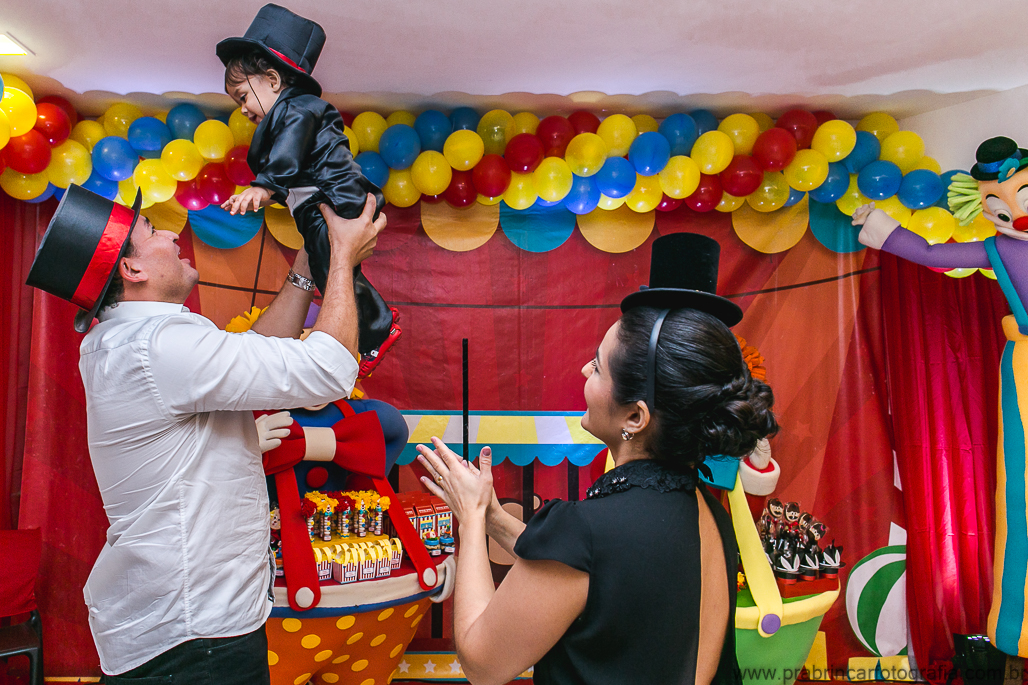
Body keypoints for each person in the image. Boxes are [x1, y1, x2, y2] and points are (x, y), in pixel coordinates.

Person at [24, 184, 385, 682]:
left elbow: (253, 352)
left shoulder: (130, 342)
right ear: (132, 269)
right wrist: (342, 256)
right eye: (152, 231)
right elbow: (330, 370)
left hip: (177, 626)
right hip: (194, 640)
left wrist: (306, 264)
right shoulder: (158, 346)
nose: (172, 234)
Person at [416, 233, 778, 685]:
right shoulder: (705, 509)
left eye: (598, 365)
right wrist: (493, 517)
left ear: (635, 415)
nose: (585, 371)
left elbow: (483, 663)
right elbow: (597, 578)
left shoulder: (588, 530)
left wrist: (469, 520)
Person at [851, 135, 1028, 656]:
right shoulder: (1001, 249)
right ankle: (1019, 623)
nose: (1014, 217)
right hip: (1026, 375)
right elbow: (935, 254)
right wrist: (886, 233)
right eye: (999, 208)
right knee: (1021, 496)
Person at [216, 3, 393, 355]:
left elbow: (289, 150)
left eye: (243, 96)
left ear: (272, 80)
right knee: (329, 269)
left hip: (335, 197)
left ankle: (375, 331)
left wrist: (266, 186)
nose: (243, 109)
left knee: (332, 270)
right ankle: (373, 330)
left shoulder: (298, 110)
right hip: (321, 202)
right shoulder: (288, 113)